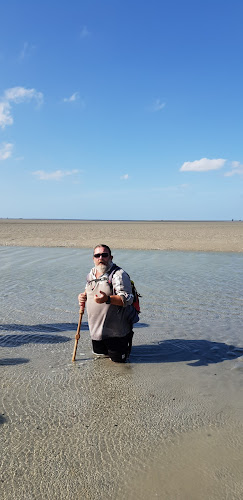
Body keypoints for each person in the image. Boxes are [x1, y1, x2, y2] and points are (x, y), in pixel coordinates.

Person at [78, 244, 135, 363]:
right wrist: (82, 296)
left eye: (104, 255)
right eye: (97, 255)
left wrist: (107, 299)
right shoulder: (91, 274)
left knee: (121, 367)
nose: (101, 258)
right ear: (93, 258)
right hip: (96, 332)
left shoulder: (118, 274)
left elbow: (128, 299)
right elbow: (89, 291)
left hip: (117, 333)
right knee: (100, 361)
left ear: (111, 257)